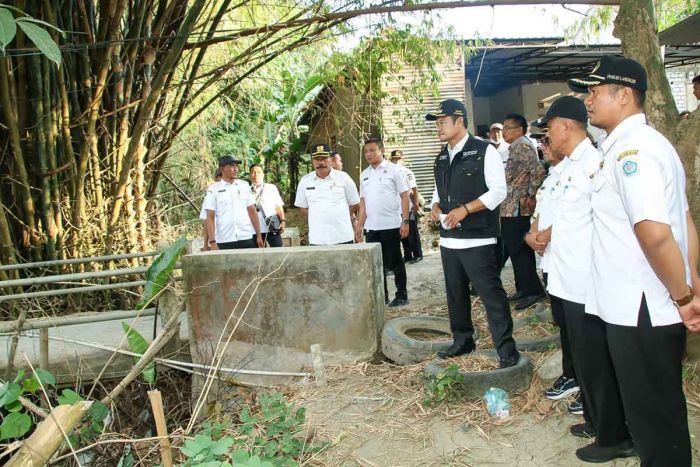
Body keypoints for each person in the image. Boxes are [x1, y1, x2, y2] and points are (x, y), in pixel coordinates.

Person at [567, 55, 700, 464]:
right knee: (652, 412)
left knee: (654, 418)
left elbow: (657, 234)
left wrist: (683, 296)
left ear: (624, 95)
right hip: (641, 304)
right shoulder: (638, 145)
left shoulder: (633, 152)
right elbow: (686, 221)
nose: (587, 101)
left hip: (643, 307)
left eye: (594, 91)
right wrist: (691, 284)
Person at [426, 98, 520, 368]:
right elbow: (438, 190)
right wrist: (435, 206)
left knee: (491, 295)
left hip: (479, 238)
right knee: (455, 293)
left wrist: (466, 209)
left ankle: (506, 349)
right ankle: (463, 340)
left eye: (442, 122)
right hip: (449, 239)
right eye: (437, 123)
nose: (439, 128)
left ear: (460, 121)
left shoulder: (483, 151)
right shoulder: (442, 156)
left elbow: (498, 191)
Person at [529, 96, 602, 437]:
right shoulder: (568, 167)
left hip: (585, 278)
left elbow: (592, 218)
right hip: (563, 274)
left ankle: (602, 418)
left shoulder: (593, 164)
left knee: (593, 352)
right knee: (579, 348)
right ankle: (593, 409)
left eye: (550, 129)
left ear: (565, 125)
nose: (547, 137)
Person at [355, 137, 410, 307]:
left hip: (391, 225)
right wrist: (360, 225)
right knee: (376, 264)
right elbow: (363, 202)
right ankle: (382, 296)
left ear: (382, 150)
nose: (369, 154)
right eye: (366, 151)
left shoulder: (394, 170)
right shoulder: (364, 175)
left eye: (372, 150)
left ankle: (401, 295)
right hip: (372, 227)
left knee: (395, 262)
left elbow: (404, 196)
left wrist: (405, 221)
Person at [501, 112, 546, 310]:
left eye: (507, 128)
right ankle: (523, 288)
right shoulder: (514, 147)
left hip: (518, 207)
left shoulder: (523, 145)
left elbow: (537, 170)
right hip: (509, 207)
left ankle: (533, 290)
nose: (503, 132)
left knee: (520, 250)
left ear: (519, 129)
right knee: (514, 249)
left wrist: (531, 194)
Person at [295, 144, 360, 246]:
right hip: (318, 239)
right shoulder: (305, 181)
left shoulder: (344, 178)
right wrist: (320, 216)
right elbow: (303, 209)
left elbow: (355, 203)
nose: (321, 162)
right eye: (317, 159)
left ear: (331, 160)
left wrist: (340, 215)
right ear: (312, 161)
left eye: (324, 159)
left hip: (342, 237)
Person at [203, 155, 263, 250]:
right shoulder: (213, 190)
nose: (235, 169)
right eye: (232, 166)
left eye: (236, 166)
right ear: (222, 169)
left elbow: (252, 211)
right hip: (224, 240)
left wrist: (258, 235)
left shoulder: (244, 186)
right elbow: (210, 217)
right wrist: (212, 241)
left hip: (246, 237)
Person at [390, 149, 423, 264]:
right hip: (397, 208)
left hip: (408, 206)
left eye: (398, 159)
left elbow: (414, 188)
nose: (396, 161)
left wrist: (416, 204)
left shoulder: (407, 172)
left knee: (413, 232)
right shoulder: (390, 172)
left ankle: (418, 254)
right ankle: (408, 255)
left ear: (402, 159)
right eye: (394, 159)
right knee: (403, 234)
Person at [250, 164, 286, 248]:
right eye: (253, 172)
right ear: (250, 175)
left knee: (278, 251)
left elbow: (278, 206)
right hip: (254, 229)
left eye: (258, 172)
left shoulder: (271, 188)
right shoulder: (246, 190)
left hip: (271, 226)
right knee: (258, 254)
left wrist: (283, 221)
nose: (256, 175)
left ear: (263, 174)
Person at [200, 168, 222, 251]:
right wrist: (205, 244)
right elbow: (206, 222)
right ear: (215, 179)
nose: (222, 179)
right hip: (217, 239)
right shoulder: (210, 194)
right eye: (220, 176)